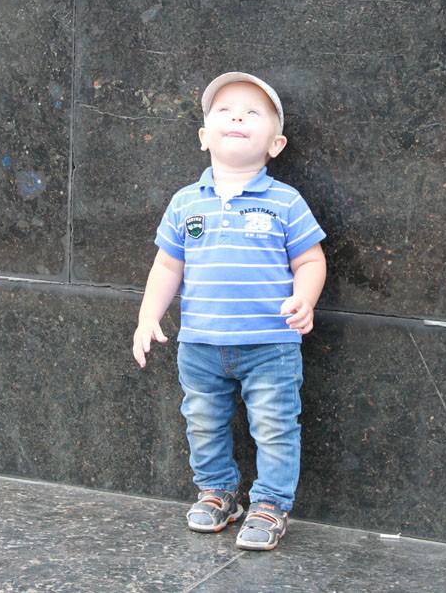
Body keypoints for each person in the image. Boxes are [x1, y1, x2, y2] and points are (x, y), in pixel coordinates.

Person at [132, 72, 327, 551]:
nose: (237, 117)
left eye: (252, 112)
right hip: (200, 344)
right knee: (202, 422)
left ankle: (271, 504)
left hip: (270, 344)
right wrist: (147, 316)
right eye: (225, 110)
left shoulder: (285, 201)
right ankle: (218, 492)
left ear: (276, 144)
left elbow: (310, 260)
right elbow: (167, 266)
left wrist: (305, 298)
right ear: (204, 136)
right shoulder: (185, 203)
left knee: (275, 427)